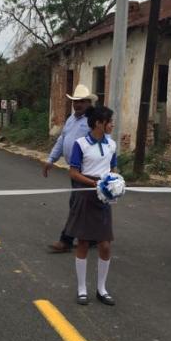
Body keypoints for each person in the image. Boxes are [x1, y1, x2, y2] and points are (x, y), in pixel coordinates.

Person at [64, 106, 118, 306]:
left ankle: (102, 289)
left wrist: (113, 182)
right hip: (86, 195)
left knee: (105, 244)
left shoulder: (111, 144)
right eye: (110, 121)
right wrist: (94, 184)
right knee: (84, 242)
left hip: (103, 198)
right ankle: (82, 289)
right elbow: (73, 172)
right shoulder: (81, 144)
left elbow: (112, 167)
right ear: (98, 123)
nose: (112, 125)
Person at [44, 85, 96, 253]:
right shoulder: (72, 119)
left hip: (87, 170)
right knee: (86, 205)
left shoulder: (94, 120)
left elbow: (104, 142)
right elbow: (62, 139)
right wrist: (51, 159)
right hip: (75, 170)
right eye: (75, 102)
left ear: (89, 103)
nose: (77, 105)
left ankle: (65, 240)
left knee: (76, 204)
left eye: (81, 102)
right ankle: (93, 237)